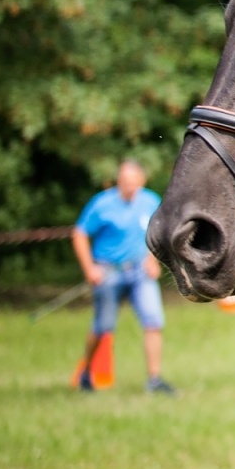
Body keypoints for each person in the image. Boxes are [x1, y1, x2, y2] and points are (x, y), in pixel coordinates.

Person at [71, 159, 176, 395]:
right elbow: (79, 234)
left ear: (141, 180)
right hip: (109, 272)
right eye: (123, 182)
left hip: (140, 272)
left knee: (153, 322)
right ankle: (87, 372)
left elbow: (157, 234)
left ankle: (154, 379)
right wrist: (90, 269)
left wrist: (153, 260)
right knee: (103, 327)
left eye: (132, 182)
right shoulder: (102, 204)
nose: (128, 186)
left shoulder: (150, 201)